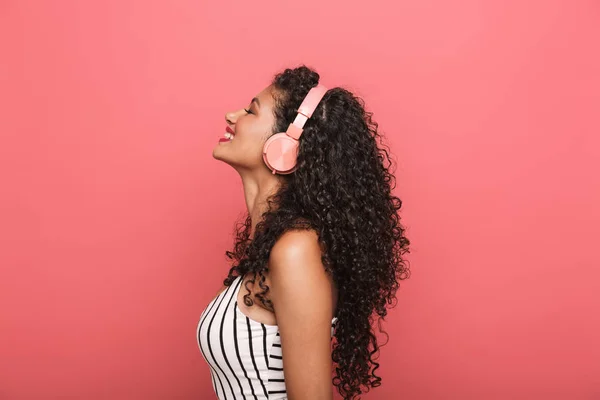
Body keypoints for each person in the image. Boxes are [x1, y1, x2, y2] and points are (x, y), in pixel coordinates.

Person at [197, 65, 410, 400]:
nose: (232, 115)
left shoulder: (296, 251)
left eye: (251, 111)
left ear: (283, 146)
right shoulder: (270, 248)